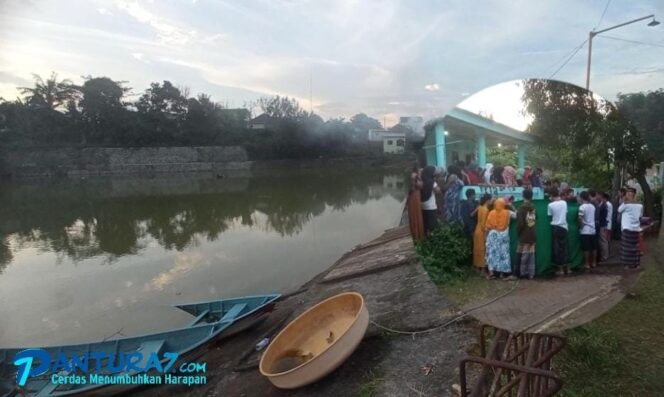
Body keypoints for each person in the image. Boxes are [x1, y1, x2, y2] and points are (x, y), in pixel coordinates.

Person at [485, 198, 516, 279]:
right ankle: (502, 273)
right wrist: (511, 206)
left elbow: (487, 227)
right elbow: (517, 215)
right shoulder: (508, 213)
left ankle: (491, 273)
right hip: (503, 235)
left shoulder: (491, 213)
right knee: (504, 254)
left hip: (493, 235)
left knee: (492, 253)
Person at [618, 187, 643, 269]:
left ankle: (627, 264)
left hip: (627, 228)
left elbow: (619, 210)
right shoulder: (640, 206)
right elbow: (640, 216)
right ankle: (637, 264)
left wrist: (624, 202)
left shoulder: (626, 205)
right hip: (636, 228)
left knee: (626, 247)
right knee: (635, 247)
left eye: (628, 195)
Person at [548, 188, 569, 276]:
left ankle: (560, 270)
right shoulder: (564, 203)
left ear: (552, 196)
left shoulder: (550, 205)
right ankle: (567, 269)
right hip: (564, 227)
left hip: (556, 227)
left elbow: (550, 215)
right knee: (564, 247)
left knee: (557, 249)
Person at [516, 188, 537, 279]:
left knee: (522, 254)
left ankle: (522, 273)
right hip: (532, 233)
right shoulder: (533, 207)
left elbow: (520, 224)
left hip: (524, 235)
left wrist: (519, 232)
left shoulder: (521, 208)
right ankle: (531, 273)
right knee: (531, 254)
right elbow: (532, 221)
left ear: (523, 196)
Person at [578, 191, 597, 270]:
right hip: (593, 229)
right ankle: (594, 262)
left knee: (586, 248)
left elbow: (580, 218)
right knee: (594, 247)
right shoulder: (592, 206)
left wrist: (581, 227)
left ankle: (587, 264)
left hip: (585, 230)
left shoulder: (582, 207)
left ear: (582, 198)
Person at [473, 193, 492, 272]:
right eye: (491, 200)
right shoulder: (486, 210)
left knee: (476, 249)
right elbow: (484, 224)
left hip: (477, 229)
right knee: (483, 250)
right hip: (482, 231)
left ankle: (477, 267)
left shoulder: (479, 207)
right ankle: (483, 269)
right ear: (488, 200)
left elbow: (472, 214)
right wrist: (485, 234)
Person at [420, 165, 441, 235]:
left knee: (424, 224)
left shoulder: (420, 181)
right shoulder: (432, 182)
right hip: (430, 206)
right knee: (433, 226)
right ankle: (433, 240)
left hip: (422, 206)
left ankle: (425, 238)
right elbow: (438, 191)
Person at [407, 162, 425, 241]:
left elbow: (421, 186)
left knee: (416, 214)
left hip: (415, 196)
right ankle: (416, 235)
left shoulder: (416, 175)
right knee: (414, 214)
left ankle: (418, 235)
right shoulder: (412, 176)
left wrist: (415, 180)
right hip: (413, 197)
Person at [597, 192, 611, 262]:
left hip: (602, 225)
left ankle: (605, 255)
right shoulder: (602, 204)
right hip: (603, 224)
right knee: (602, 240)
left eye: (598, 195)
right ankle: (604, 254)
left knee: (603, 240)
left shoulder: (604, 205)